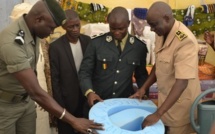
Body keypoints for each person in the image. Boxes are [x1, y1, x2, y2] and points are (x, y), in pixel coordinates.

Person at [0, 0, 103, 134]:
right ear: (39, 20)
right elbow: (36, 92)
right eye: (51, 28)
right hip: (6, 107)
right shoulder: (13, 43)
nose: (52, 32)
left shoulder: (33, 30)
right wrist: (74, 121)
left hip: (26, 101)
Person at [130, 2, 201, 134]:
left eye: (153, 25)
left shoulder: (185, 41)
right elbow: (159, 64)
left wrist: (157, 114)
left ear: (167, 18)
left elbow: (182, 82)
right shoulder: (161, 32)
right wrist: (143, 89)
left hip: (180, 109)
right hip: (166, 104)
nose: (151, 29)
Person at [79, 6, 148, 117]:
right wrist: (89, 92)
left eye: (121, 29)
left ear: (128, 23)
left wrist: (143, 92)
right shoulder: (96, 44)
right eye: (113, 28)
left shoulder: (139, 47)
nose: (116, 32)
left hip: (123, 105)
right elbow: (84, 72)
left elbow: (141, 75)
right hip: (97, 103)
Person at [49, 9, 91, 134]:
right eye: (71, 26)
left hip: (85, 99)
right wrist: (61, 107)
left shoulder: (88, 41)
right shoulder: (56, 47)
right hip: (66, 103)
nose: (75, 29)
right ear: (64, 27)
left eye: (77, 25)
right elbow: (55, 80)